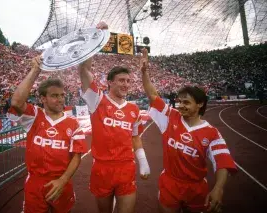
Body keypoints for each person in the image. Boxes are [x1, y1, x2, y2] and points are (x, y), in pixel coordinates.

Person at [140, 48, 237, 213]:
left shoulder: (212, 133)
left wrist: (218, 188)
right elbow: (153, 95)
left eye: (186, 102)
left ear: (200, 104)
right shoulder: (171, 116)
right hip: (170, 183)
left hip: (196, 188)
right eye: (179, 102)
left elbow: (222, 162)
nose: (181, 106)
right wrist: (144, 72)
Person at [78, 22, 151, 213]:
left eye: (128, 81)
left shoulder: (134, 109)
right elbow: (84, 70)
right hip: (102, 168)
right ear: (109, 82)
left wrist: (142, 160)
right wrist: (96, 35)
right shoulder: (97, 100)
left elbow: (135, 136)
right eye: (121, 80)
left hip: (126, 168)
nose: (126, 84)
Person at [7, 56, 87, 213]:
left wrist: (63, 180)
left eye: (62, 95)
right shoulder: (34, 116)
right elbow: (16, 102)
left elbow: (77, 156)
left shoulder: (73, 123)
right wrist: (35, 70)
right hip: (35, 183)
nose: (60, 99)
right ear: (43, 98)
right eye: (54, 96)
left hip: (61, 182)